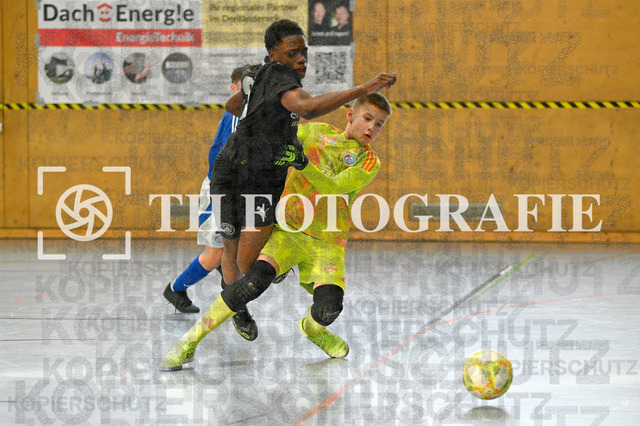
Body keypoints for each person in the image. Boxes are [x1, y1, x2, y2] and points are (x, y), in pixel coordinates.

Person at [160, 92, 393, 370]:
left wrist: (302, 163)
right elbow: (280, 137)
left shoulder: (369, 162)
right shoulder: (316, 132)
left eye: (379, 124)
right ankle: (188, 343)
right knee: (252, 284)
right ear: (350, 115)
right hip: (289, 233)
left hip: (327, 242)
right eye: (368, 118)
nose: (372, 128)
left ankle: (313, 330)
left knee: (328, 308)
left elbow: (335, 186)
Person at [210, 19, 395, 310]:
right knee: (231, 252)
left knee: (243, 259)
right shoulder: (283, 81)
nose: (301, 59)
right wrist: (364, 88)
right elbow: (307, 108)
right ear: (273, 55)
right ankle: (238, 312)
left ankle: (265, 276)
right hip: (237, 169)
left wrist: (262, 110)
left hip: (255, 175)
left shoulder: (264, 75)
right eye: (293, 52)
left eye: (304, 52)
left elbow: (233, 105)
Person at [163, 67, 259, 341]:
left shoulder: (254, 115)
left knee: (240, 253)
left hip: (241, 193)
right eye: (244, 86)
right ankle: (175, 289)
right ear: (235, 88)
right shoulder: (236, 114)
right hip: (220, 191)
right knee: (214, 255)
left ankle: (232, 298)